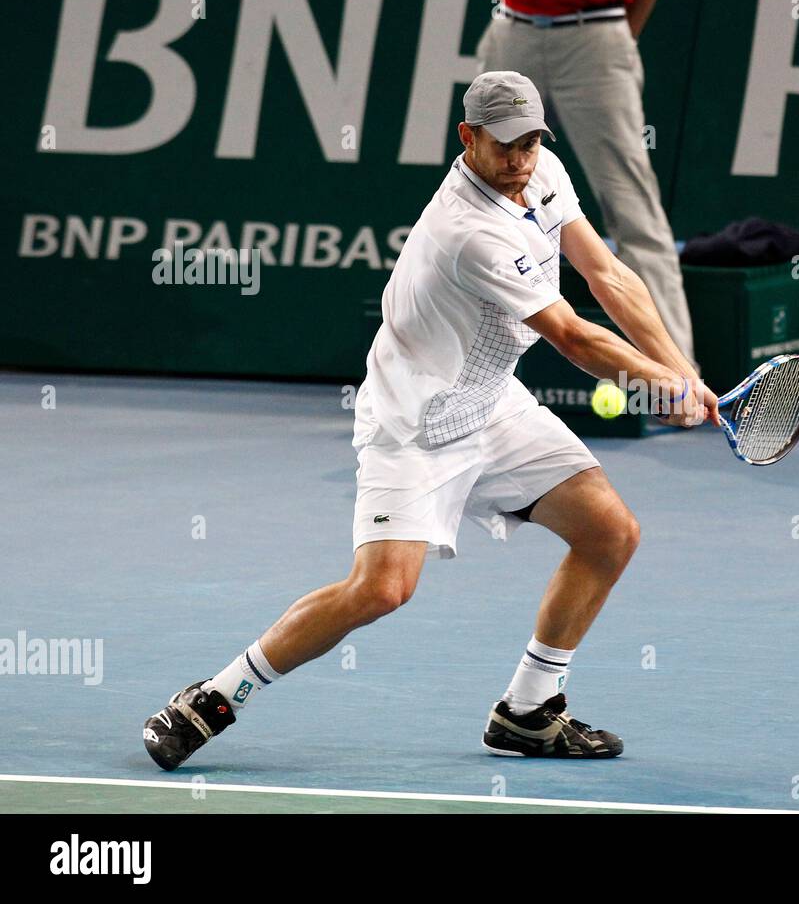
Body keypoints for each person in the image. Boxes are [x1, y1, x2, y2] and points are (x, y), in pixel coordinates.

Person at [141, 71, 718, 766]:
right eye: (505, 145)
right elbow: (573, 335)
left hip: (490, 398)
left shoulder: (543, 172)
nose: (521, 159)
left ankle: (529, 711)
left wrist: (680, 373)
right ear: (467, 138)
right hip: (414, 418)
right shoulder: (467, 230)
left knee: (609, 532)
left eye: (532, 141)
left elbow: (609, 277)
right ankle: (216, 695)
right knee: (382, 589)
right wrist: (655, 382)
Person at [477, 0, 697, 365]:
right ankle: (467, 364)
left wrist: (623, 34)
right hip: (511, 34)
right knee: (480, 201)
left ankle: (677, 378)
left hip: (595, 39)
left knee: (632, 209)